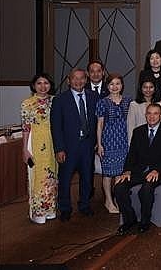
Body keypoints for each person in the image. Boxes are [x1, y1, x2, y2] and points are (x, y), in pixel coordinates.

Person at [114, 103, 161, 235]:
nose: (152, 116)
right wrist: (127, 171)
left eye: (155, 114)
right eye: (149, 113)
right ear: (145, 115)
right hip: (139, 171)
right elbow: (131, 154)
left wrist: (157, 170)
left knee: (146, 189)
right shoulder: (138, 131)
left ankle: (144, 221)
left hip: (159, 172)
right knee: (119, 187)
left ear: (160, 116)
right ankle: (129, 219)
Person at [51, 68, 99, 221]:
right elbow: (56, 126)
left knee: (87, 177)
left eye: (82, 78)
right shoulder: (60, 100)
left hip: (87, 145)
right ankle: (65, 208)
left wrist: (97, 142)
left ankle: (84, 205)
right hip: (68, 147)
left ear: (86, 80)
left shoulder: (93, 97)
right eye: (75, 78)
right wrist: (59, 148)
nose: (78, 81)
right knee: (65, 178)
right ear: (68, 80)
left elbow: (98, 121)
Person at [21, 73, 58, 224]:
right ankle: (38, 212)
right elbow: (25, 128)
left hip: (53, 142)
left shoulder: (55, 101)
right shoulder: (27, 103)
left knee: (53, 176)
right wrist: (24, 149)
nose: (43, 86)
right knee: (38, 177)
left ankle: (50, 209)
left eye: (46, 83)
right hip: (35, 141)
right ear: (34, 85)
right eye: (39, 83)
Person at [96, 73, 132, 214]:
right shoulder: (102, 102)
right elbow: (99, 124)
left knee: (120, 173)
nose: (115, 87)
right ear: (107, 86)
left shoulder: (128, 101)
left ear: (122, 85)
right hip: (108, 142)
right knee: (108, 174)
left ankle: (118, 199)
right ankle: (108, 201)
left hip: (124, 141)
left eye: (118, 84)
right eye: (112, 84)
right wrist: (99, 144)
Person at [127, 78, 161, 142]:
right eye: (145, 87)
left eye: (151, 87)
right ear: (141, 88)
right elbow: (130, 128)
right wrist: (131, 144)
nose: (148, 90)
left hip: (159, 140)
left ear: (155, 88)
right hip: (140, 140)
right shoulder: (134, 105)